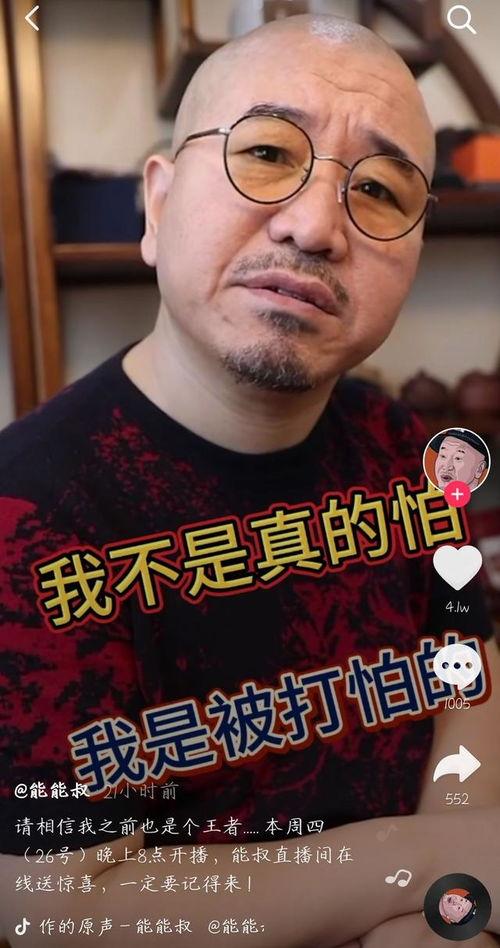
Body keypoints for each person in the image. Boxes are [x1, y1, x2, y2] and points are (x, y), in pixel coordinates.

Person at [1, 12, 499, 948]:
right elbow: (53, 903)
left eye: (379, 190)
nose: (314, 227)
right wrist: (431, 865)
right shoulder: (29, 510)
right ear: (156, 204)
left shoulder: (410, 454)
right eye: (267, 153)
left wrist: (445, 914)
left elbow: (467, 666)